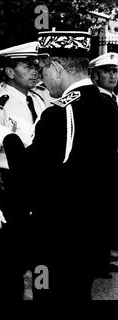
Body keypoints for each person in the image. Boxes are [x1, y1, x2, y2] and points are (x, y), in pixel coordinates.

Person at [0, 30, 118, 300]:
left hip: (58, 240)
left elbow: (30, 175)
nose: (41, 75)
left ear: (56, 68)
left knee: (47, 292)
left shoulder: (60, 113)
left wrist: (9, 139)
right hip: (93, 234)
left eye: (43, 67)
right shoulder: (107, 105)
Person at [0, 41, 48, 300]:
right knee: (7, 264)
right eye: (27, 66)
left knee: (40, 262)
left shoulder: (41, 100)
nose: (35, 71)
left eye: (36, 66)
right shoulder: (0, 106)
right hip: (11, 190)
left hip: (39, 189)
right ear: (10, 72)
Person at [89, 52, 118, 277]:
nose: (112, 75)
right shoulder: (96, 101)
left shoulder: (111, 98)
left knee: (107, 217)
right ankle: (98, 263)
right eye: (106, 71)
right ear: (95, 76)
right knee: (99, 218)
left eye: (115, 71)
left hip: (111, 169)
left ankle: (103, 259)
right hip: (101, 170)